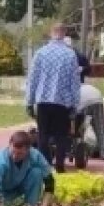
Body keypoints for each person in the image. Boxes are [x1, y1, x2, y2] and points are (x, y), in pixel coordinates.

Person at [25, 23, 82, 173]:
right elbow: (75, 82)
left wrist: (29, 102)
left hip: (43, 100)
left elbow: (32, 79)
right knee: (61, 135)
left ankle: (46, 164)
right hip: (62, 101)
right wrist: (75, 104)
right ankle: (60, 165)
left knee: (43, 134)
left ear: (51, 33)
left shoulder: (40, 53)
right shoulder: (70, 55)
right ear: (64, 33)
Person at [0, 131, 56, 206]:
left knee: (37, 173)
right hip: (2, 193)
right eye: (13, 152)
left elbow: (49, 181)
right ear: (9, 145)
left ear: (28, 150)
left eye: (20, 154)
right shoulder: (0, 160)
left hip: (21, 188)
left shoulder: (35, 155)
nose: (14, 156)